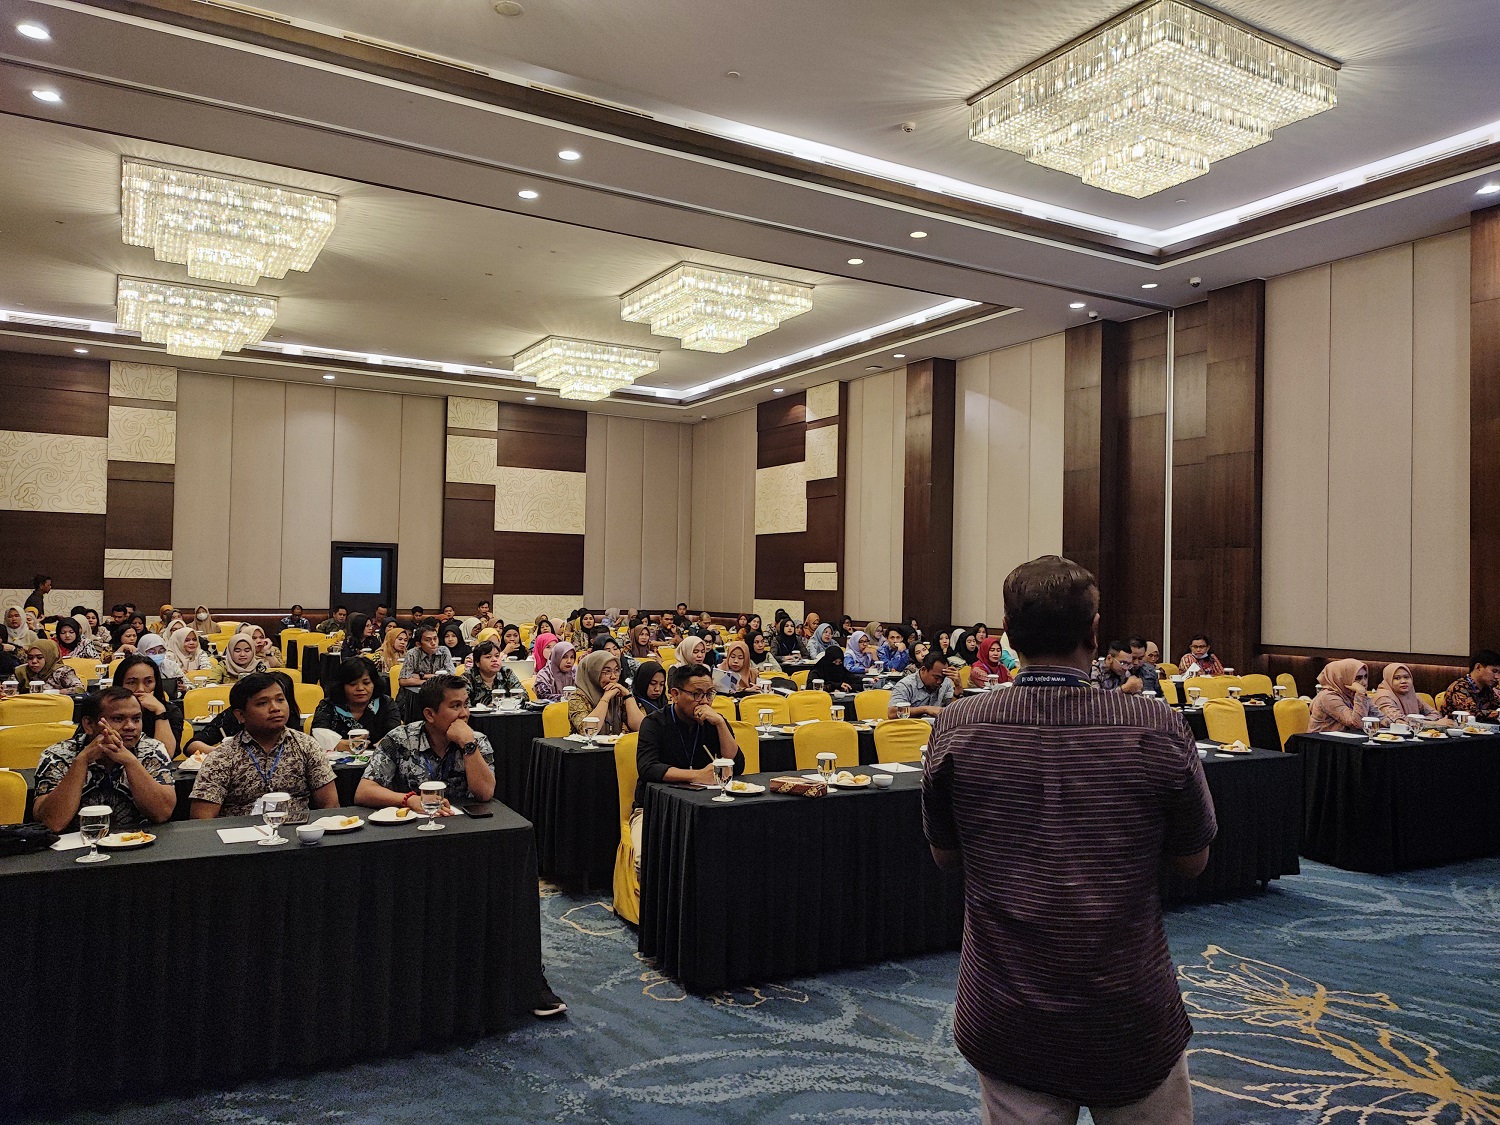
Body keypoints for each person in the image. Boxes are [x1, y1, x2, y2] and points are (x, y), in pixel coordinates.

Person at [923, 555, 1215, 1122]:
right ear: (1095, 631)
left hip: (1007, 1006)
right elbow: (1193, 860)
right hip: (1128, 1009)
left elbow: (944, 854)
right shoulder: (1156, 727)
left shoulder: (957, 726)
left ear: (1008, 634)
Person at [631, 662, 744, 870]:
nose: (705, 701)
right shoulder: (654, 723)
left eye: (709, 694)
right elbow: (648, 767)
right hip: (655, 809)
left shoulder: (713, 720)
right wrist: (696, 775)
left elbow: (736, 765)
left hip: (705, 807)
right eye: (697, 694)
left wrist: (720, 724)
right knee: (645, 859)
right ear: (675, 694)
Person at [190, 672, 338, 818]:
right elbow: (202, 820)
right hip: (242, 832)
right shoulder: (222, 757)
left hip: (297, 829)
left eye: (280, 700)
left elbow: (330, 806)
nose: (275, 708)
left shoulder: (306, 745)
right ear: (240, 715)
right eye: (262, 703)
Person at [33, 687, 176, 832]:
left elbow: (162, 814)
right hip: (76, 842)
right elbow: (52, 823)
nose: (130, 726)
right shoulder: (57, 756)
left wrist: (130, 762)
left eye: (136, 719)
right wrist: (81, 762)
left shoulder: (152, 750)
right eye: (118, 719)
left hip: (140, 839)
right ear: (89, 724)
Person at [355, 675, 495, 813]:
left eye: (466, 705)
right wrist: (409, 800)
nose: (464, 713)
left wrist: (468, 745)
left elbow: (485, 794)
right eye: (455, 706)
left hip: (462, 821)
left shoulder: (476, 740)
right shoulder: (400, 739)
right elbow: (364, 792)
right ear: (430, 715)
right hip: (412, 822)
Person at [312, 658, 401, 753]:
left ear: (374, 683)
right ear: (342, 686)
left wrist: (386, 744)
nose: (360, 688)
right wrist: (345, 745)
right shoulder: (328, 705)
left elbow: (395, 735)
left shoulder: (386, 703)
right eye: (353, 684)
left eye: (366, 683)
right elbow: (317, 735)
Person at [112, 652, 184, 757]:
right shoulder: (105, 709)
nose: (141, 689)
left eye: (148, 682)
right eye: (132, 682)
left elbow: (164, 757)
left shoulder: (171, 711)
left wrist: (160, 711)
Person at [568, 649, 644, 734]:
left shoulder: (618, 694)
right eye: (607, 672)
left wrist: (627, 696)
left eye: (616, 670)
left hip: (614, 742)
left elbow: (640, 727)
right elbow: (588, 731)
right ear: (593, 673)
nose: (613, 676)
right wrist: (605, 699)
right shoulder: (577, 697)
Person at [1308, 658, 1384, 733]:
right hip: (1320, 739)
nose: (1364, 682)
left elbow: (1382, 719)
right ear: (1342, 678)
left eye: (1365, 677)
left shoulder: (1354, 694)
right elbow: (1358, 723)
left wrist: (1389, 723)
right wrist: (1360, 693)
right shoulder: (1328, 697)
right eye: (1358, 678)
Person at [1372, 662, 1450, 727]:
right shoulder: (1383, 697)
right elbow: (1400, 721)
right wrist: (1435, 723)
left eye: (1406, 677)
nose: (1403, 681)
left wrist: (1419, 720)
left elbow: (1436, 714)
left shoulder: (1412, 695)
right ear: (1388, 680)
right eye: (1397, 678)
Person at [888, 651, 958, 718]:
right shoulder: (906, 685)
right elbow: (892, 713)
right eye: (936, 677)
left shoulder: (946, 682)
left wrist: (958, 687)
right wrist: (924, 709)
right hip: (912, 725)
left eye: (943, 678)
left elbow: (952, 710)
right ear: (924, 670)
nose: (939, 682)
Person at [1440, 650, 1500, 722]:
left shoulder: (1487, 688)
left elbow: (1497, 706)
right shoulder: (1459, 687)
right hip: (1455, 727)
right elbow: (1473, 714)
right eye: (1494, 671)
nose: (1497, 677)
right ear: (1478, 667)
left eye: (1499, 673)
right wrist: (1496, 714)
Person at [465, 640, 524, 705]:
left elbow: (523, 696)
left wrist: (505, 704)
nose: (494, 660)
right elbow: (464, 705)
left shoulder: (506, 672)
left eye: (497, 656)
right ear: (477, 663)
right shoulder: (468, 678)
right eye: (488, 657)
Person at [17, 639, 85, 695]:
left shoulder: (61, 672)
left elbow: (79, 689)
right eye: (30, 657)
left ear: (49, 657)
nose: (34, 661)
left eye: (39, 657)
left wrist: (55, 692)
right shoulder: (21, 671)